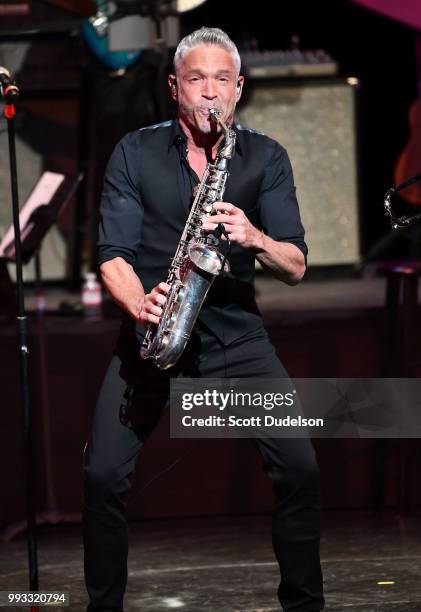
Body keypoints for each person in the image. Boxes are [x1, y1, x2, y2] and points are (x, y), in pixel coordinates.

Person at [83, 26, 324, 612]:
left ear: (239, 88)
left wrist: (253, 235)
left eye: (221, 80)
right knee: (102, 479)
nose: (209, 93)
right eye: (196, 79)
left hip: (236, 337)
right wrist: (141, 303)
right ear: (174, 87)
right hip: (154, 335)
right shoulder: (134, 152)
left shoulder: (266, 156)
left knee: (300, 468)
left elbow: (294, 266)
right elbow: (113, 254)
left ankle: (304, 604)